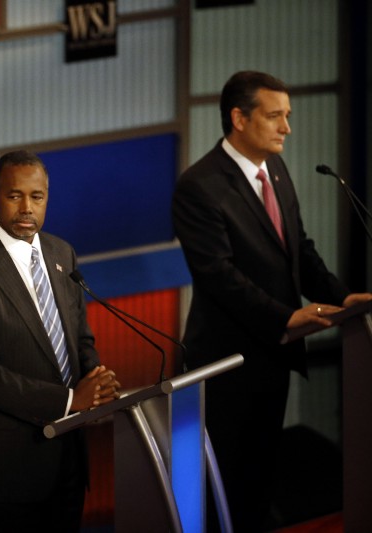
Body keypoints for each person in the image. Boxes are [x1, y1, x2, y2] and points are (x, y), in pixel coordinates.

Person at [172, 71, 372, 531]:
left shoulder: (275, 169)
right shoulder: (199, 186)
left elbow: (299, 250)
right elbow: (219, 276)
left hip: (274, 355)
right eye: (276, 116)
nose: (287, 128)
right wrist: (287, 316)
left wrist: (345, 298)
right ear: (239, 118)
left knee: (261, 482)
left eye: (288, 116)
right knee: (222, 490)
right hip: (226, 363)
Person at [0, 150, 121, 532]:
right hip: (4, 468)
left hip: (67, 455)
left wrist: (97, 380)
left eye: (36, 197)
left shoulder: (61, 253)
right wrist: (72, 400)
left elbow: (79, 337)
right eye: (14, 196)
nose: (27, 207)